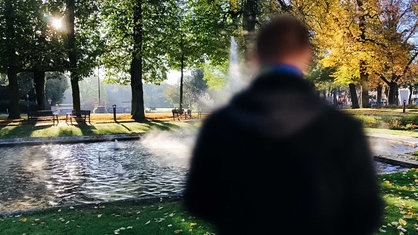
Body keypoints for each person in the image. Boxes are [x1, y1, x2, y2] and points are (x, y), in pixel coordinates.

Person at [183, 15, 383, 235]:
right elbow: (367, 213)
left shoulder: (220, 125)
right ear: (307, 56)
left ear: (255, 58)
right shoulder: (344, 129)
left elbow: (198, 201)